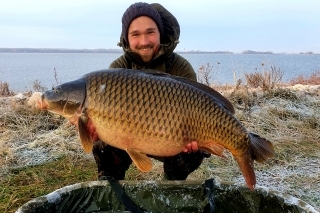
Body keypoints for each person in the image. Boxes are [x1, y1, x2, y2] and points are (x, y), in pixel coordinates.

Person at [92, 2, 210, 181]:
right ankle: (111, 187)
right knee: (103, 143)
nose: (144, 42)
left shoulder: (181, 68)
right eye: (135, 34)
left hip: (172, 139)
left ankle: (172, 186)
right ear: (126, 38)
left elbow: (198, 111)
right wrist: (97, 129)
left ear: (160, 32)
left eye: (150, 32)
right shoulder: (117, 70)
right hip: (131, 136)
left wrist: (195, 140)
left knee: (193, 151)